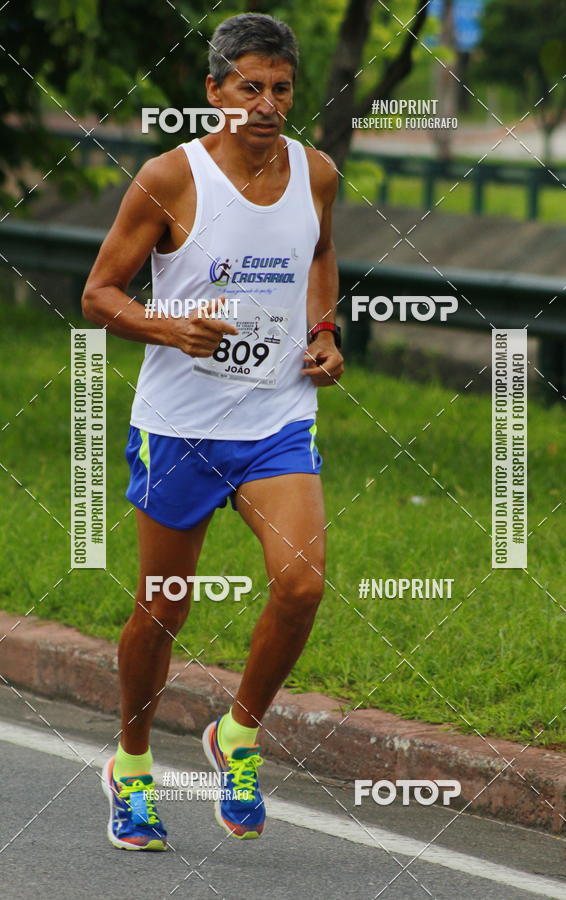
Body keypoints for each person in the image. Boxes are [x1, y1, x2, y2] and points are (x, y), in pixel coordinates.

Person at [83, 11, 343, 850]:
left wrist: (324, 333)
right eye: (249, 88)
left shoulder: (318, 174)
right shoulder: (169, 177)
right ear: (214, 91)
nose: (266, 104)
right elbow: (99, 295)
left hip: (275, 420)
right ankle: (129, 765)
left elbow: (320, 258)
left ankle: (238, 733)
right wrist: (169, 327)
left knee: (301, 585)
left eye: (281, 89)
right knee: (162, 611)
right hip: (179, 426)